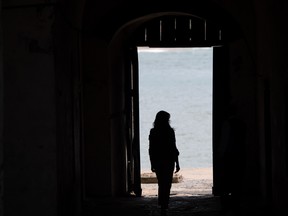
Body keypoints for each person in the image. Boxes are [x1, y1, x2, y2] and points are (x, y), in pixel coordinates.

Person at [148, 110, 180, 213]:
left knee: (161, 182)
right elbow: (174, 148)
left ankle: (162, 202)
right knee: (167, 183)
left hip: (158, 160)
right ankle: (164, 203)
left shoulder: (153, 132)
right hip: (169, 160)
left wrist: (152, 163)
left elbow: (151, 149)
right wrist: (177, 163)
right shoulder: (170, 131)